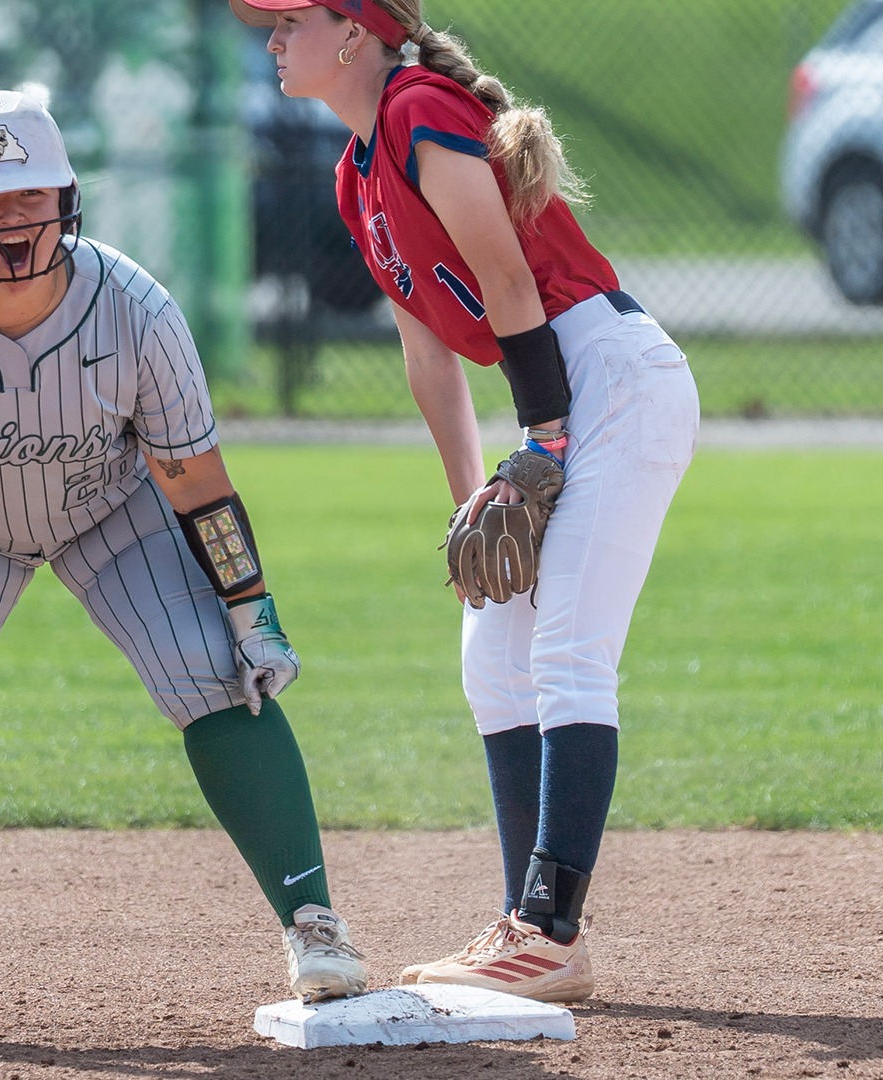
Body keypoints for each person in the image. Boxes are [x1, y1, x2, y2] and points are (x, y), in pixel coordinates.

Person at [0, 88, 366, 1041]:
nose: (14, 221)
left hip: (108, 508)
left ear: (68, 197)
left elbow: (195, 483)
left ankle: (315, 926)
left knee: (218, 673)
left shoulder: (134, 307)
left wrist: (253, 609)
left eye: (31, 195)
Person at [231, 0, 700, 1003]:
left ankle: (550, 928)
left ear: (354, 32)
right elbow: (428, 356)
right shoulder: (354, 173)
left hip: (609, 379)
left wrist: (541, 445)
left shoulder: (417, 109)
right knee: (494, 648)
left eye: (288, 21)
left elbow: (508, 282)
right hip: (563, 390)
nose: (270, 38)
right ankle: (527, 933)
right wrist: (468, 500)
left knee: (569, 652)